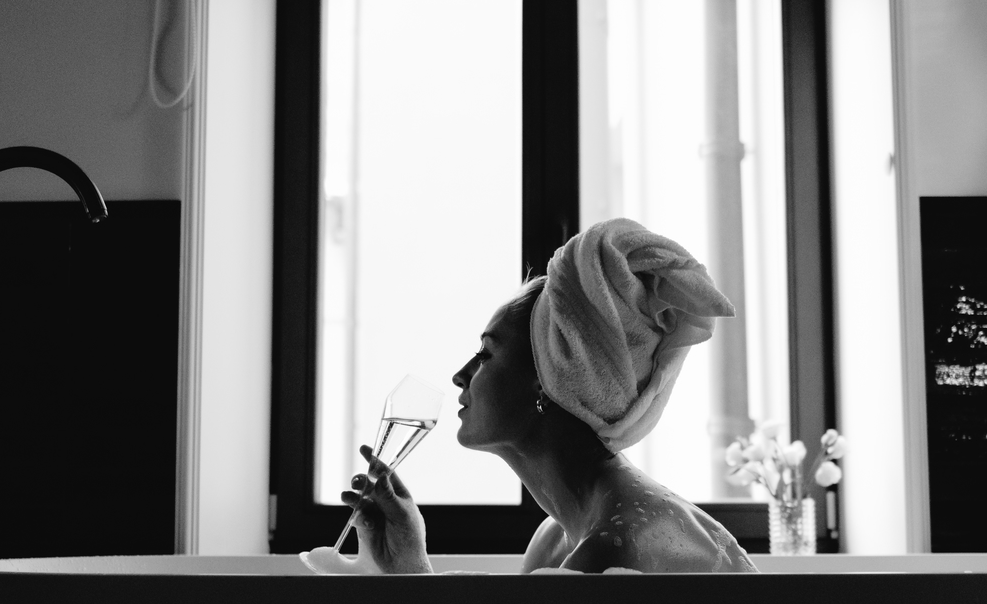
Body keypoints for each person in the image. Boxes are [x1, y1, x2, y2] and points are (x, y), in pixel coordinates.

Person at [304, 218, 758, 574]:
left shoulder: (615, 543)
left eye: (486, 354)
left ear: (548, 378)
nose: (461, 375)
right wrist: (409, 563)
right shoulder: (557, 535)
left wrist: (411, 575)